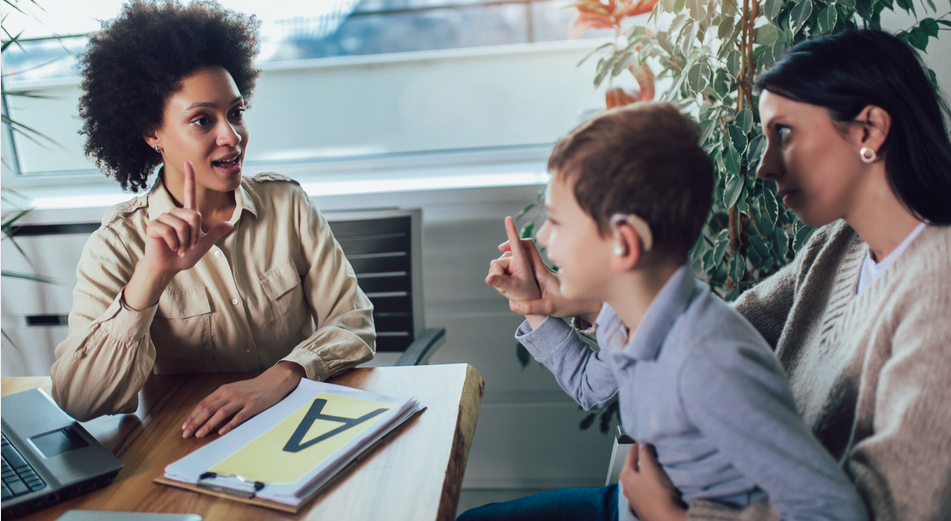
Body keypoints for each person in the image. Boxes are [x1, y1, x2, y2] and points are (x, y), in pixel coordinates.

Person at [483, 30, 951, 521]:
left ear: (868, 131)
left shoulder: (937, 288)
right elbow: (704, 330)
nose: (765, 166)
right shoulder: (838, 246)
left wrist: (673, 519)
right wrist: (578, 298)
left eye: (784, 133)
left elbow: (891, 510)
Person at [464, 102, 867, 521]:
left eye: (557, 222)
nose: (543, 238)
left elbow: (833, 512)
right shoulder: (633, 317)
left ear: (624, 242)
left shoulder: (709, 363)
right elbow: (588, 386)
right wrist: (536, 307)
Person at [50, 0, 375, 440]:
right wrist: (150, 278)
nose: (232, 136)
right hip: (189, 442)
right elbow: (81, 401)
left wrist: (281, 376)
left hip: (299, 427)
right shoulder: (118, 246)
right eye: (203, 120)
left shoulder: (288, 204)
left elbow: (354, 321)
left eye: (236, 112)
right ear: (152, 133)